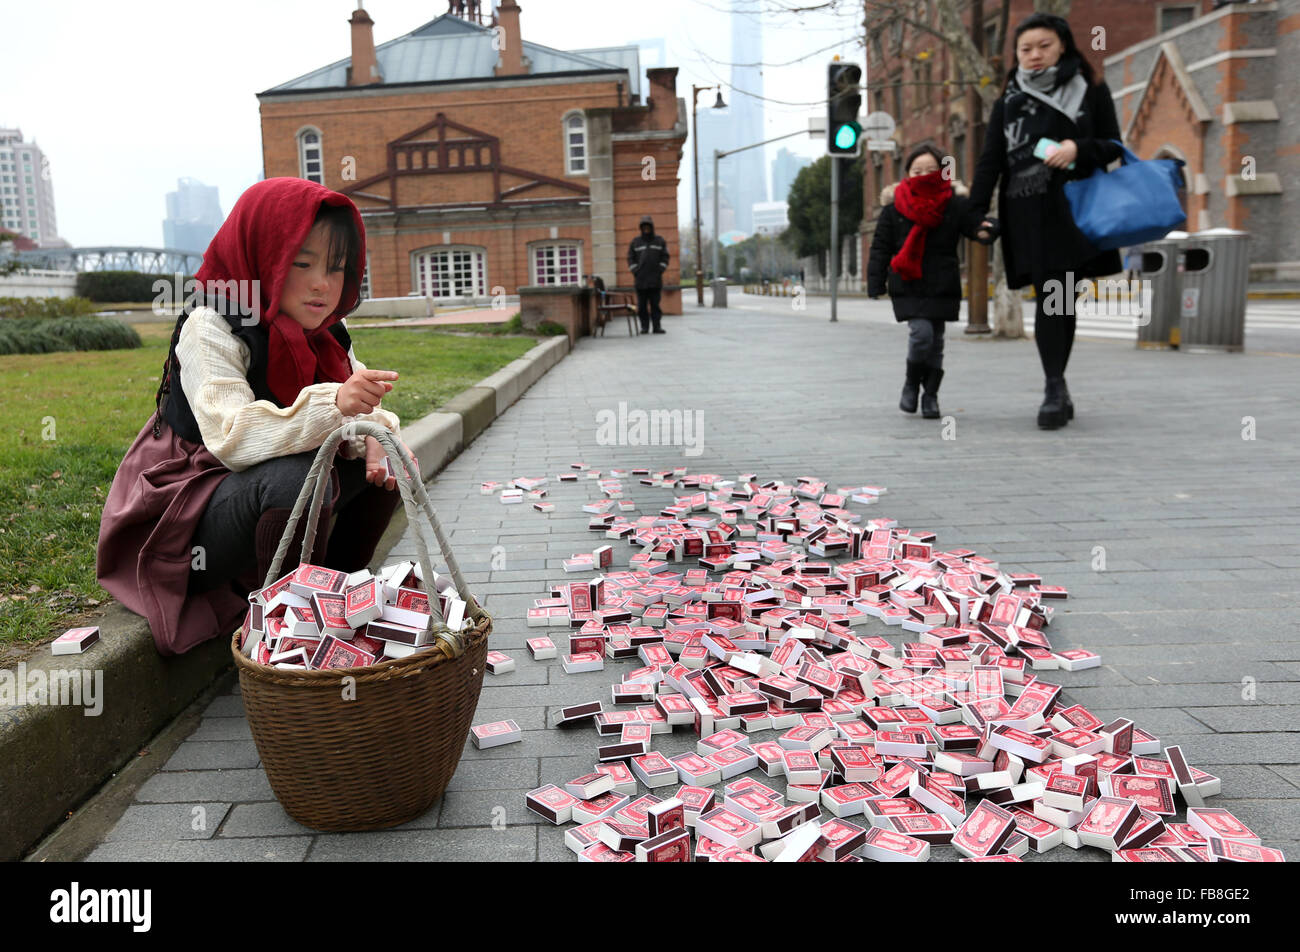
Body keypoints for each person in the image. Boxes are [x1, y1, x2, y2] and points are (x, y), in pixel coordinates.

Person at [97, 178, 417, 656]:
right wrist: (336, 406)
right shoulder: (211, 324)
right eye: (302, 262)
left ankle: (340, 613)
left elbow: (354, 406)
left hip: (257, 494)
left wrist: (377, 433)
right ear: (263, 256)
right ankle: (284, 636)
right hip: (188, 512)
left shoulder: (328, 329)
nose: (322, 284)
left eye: (337, 267)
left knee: (386, 465)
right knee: (296, 477)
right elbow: (233, 437)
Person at [969, 12, 1124, 429]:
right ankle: (1056, 384)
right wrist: (975, 212)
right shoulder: (1008, 101)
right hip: (1027, 213)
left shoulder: (1090, 90)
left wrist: (1077, 148)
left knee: (1058, 298)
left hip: (1073, 211)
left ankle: (1054, 386)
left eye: (1044, 46)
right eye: (1026, 49)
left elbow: (1113, 145)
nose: (1034, 55)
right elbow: (991, 162)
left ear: (1063, 46)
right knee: (1051, 298)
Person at [868, 145, 998, 419]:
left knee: (936, 342)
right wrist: (875, 281)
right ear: (907, 174)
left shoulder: (954, 203)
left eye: (930, 170)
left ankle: (930, 397)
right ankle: (911, 384)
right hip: (908, 281)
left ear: (942, 172)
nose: (923, 174)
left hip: (942, 280)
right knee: (921, 335)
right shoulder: (894, 208)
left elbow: (975, 225)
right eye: (917, 171)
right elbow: (880, 247)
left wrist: (987, 230)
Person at [626, 214, 670, 333]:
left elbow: (665, 257)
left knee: (655, 305)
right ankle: (644, 327)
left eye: (648, 226)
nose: (646, 229)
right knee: (642, 306)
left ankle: (657, 327)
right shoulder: (635, 242)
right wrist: (635, 271)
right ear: (641, 228)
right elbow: (630, 258)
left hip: (655, 280)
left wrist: (660, 270)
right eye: (644, 227)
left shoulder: (659, 241)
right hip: (641, 281)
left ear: (651, 227)